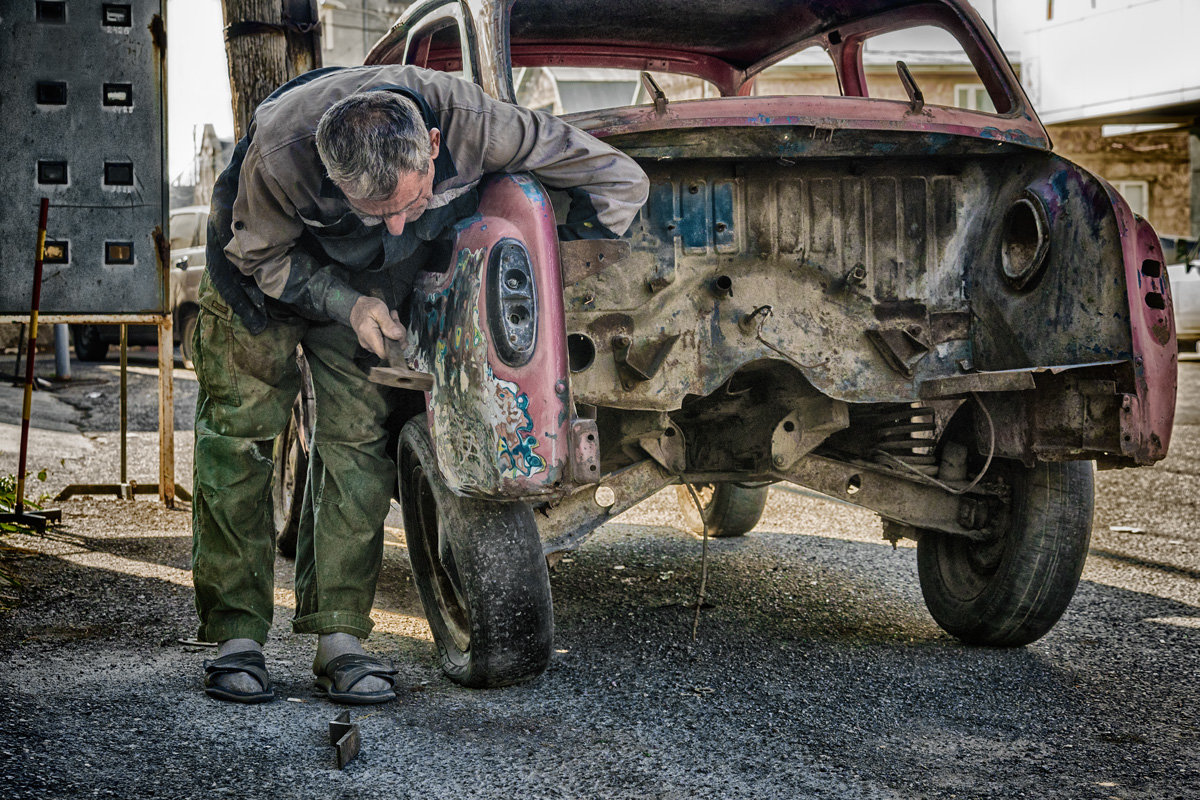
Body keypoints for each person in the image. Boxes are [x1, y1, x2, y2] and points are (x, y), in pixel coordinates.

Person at [192, 65, 648, 705]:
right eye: (377, 210)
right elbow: (262, 258)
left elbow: (620, 179)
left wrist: (566, 264)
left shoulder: (481, 126)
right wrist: (346, 304)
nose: (402, 224)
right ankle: (236, 637)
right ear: (330, 171)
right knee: (240, 441)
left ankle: (339, 638)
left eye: (412, 203)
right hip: (257, 280)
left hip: (369, 285)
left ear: (434, 147)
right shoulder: (281, 150)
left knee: (356, 447)